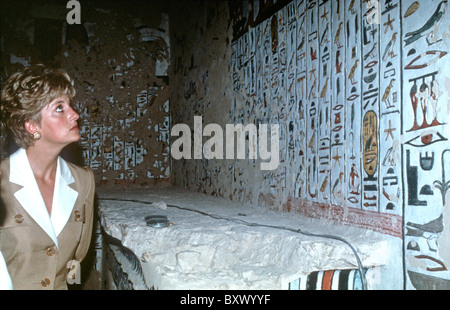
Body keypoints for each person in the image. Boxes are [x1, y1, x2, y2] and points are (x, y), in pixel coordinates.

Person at [0, 64, 95, 289]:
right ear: (33, 126)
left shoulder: (83, 182)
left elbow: (77, 259)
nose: (75, 114)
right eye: (60, 108)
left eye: (70, 105)